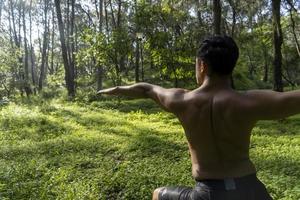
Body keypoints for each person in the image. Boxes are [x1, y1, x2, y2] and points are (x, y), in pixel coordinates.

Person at [97, 35, 298, 200]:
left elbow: (146, 89)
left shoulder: (181, 100)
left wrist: (116, 89)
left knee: (158, 194)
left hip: (209, 194)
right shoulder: (249, 102)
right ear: (231, 66)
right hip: (252, 191)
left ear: (202, 65)